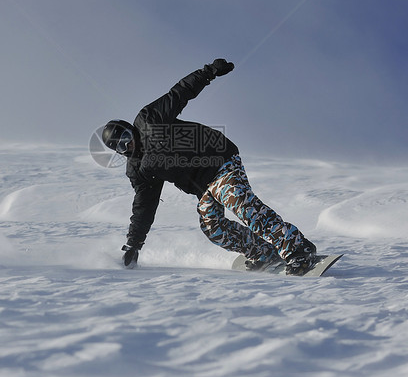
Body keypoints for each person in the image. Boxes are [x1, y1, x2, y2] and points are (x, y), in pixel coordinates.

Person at [101, 59, 317, 275]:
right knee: (213, 228)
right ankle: (263, 253)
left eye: (126, 137)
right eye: (121, 147)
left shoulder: (149, 119)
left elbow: (179, 93)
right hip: (203, 187)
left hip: (220, 162)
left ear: (130, 128)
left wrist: (209, 72)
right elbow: (144, 205)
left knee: (241, 204)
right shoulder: (138, 170)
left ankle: (298, 249)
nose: (128, 145)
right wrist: (134, 245)